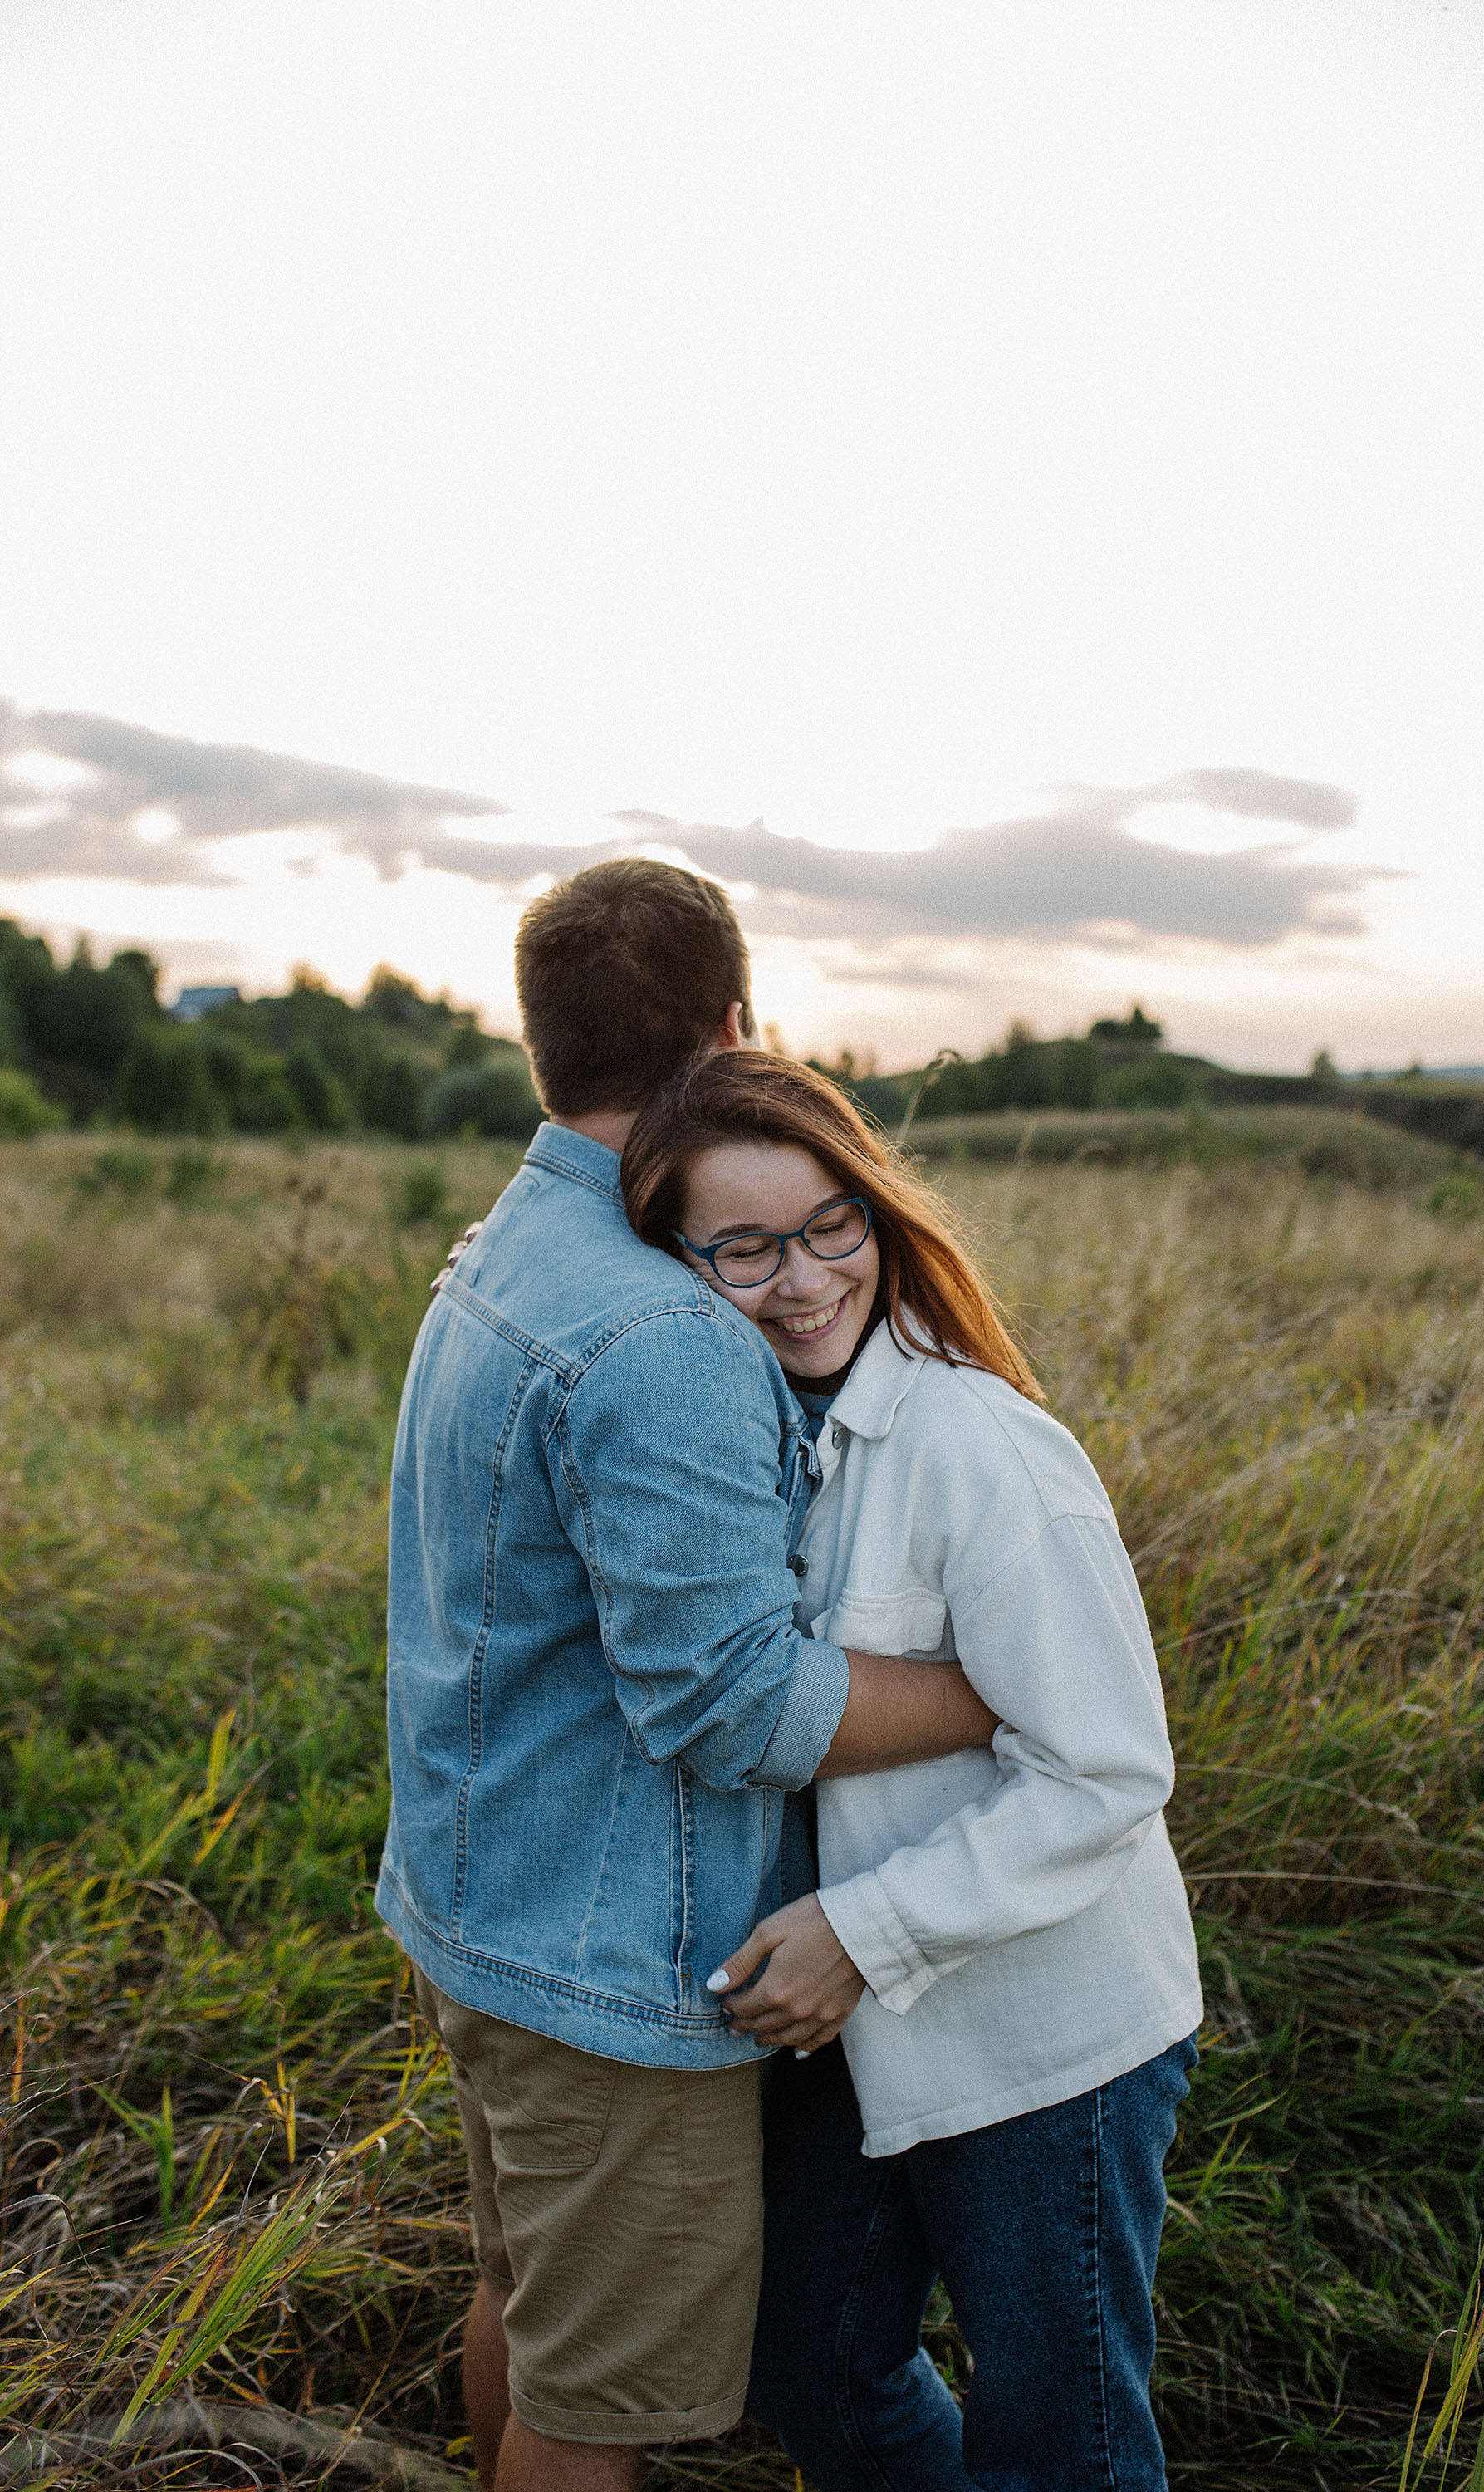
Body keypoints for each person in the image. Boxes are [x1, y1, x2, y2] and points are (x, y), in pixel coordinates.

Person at [375, 860, 1002, 2492]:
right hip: (603, 1968)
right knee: (603, 2402)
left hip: (482, 1909)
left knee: (526, 2294)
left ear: (538, 1048)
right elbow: (734, 1706)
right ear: (735, 1026)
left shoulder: (504, 1254)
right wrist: (987, 1691)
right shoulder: (663, 1329)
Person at [621, 1049, 1204, 2492]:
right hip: (852, 2034)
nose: (806, 1279)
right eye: (744, 1248)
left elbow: (1110, 1772)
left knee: (1059, 2444)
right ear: (678, 1263)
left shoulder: (982, 1447)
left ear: (881, 1218)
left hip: (1038, 2034)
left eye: (834, 1226)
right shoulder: (737, 1441)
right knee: (805, 2367)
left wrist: (860, 1936)